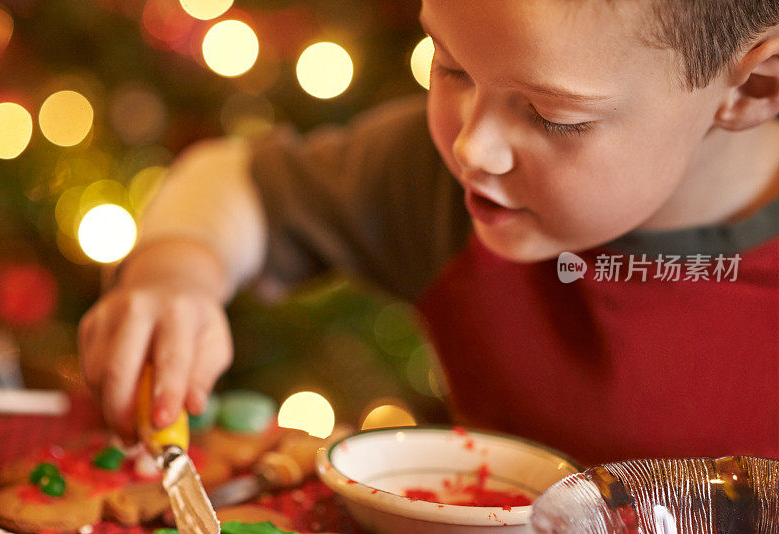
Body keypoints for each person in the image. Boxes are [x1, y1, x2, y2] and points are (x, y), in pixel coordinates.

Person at [80, 0, 779, 466]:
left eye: (552, 115)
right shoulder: (443, 185)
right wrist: (174, 274)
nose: (474, 148)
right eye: (449, 65)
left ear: (752, 90)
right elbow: (234, 181)